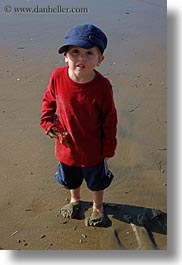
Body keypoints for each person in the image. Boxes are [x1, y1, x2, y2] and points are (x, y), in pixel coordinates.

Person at [40, 24, 117, 226]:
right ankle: (75, 200)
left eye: (89, 52)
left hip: (94, 148)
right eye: (75, 52)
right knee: (70, 178)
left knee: (96, 180)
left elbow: (110, 118)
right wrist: (47, 121)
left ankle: (98, 207)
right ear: (66, 56)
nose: (81, 57)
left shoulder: (102, 86)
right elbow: (49, 99)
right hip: (66, 144)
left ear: (99, 60)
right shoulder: (57, 76)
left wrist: (109, 145)